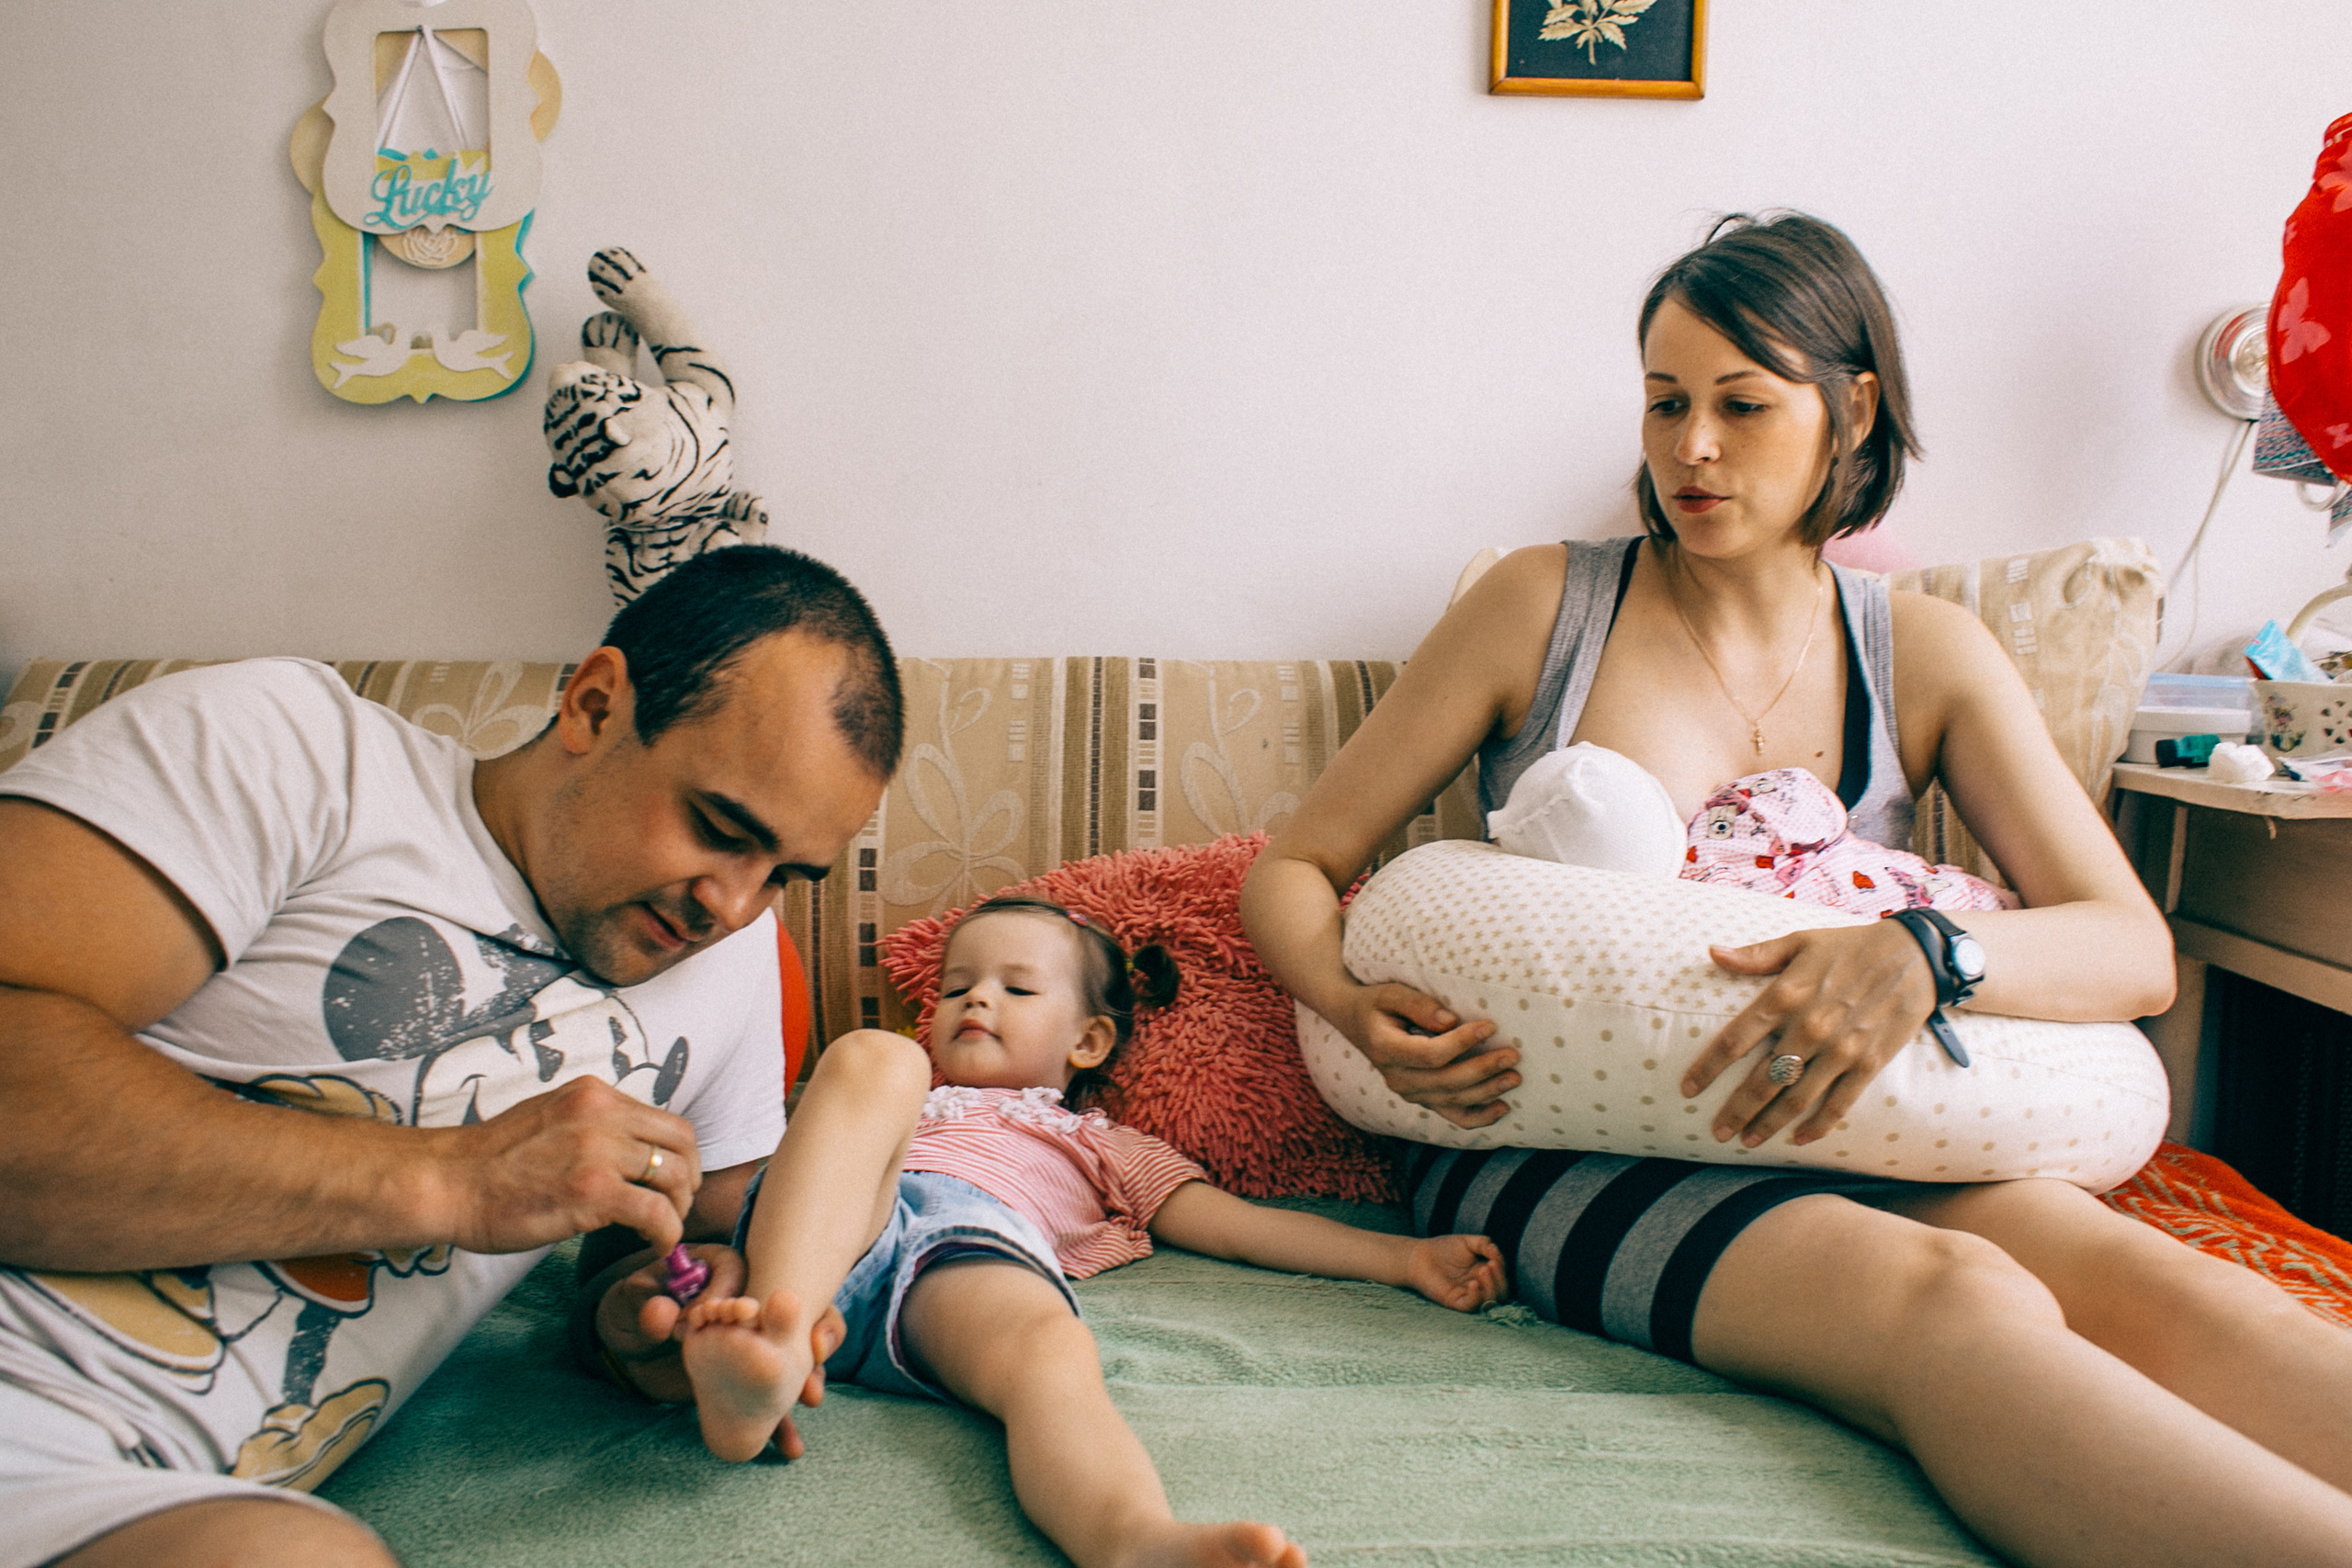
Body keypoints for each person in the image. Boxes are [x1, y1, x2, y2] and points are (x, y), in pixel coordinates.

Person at [1239, 213, 2352, 1566]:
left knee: (2164, 1282)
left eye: (1739, 404)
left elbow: (2131, 948)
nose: (1689, 448)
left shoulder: (1924, 652)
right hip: (1562, 1146)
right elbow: (1299, 864)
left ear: (1852, 409)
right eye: (1664, 403)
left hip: (1860, 1127)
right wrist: (1353, 1007)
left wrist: (1923, 952)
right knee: (1952, 1301)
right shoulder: (1544, 604)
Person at [0, 546, 903, 1568]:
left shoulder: (732, 967)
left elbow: (655, 1261)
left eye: (783, 873)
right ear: (595, 705)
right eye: (717, 827)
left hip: (137, 1500)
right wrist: (449, 1179)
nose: (731, 907)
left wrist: (647, 1329)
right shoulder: (295, 747)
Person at [614, 897, 1504, 1568]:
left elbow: (1238, 1231)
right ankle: (773, 1340)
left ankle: (1130, 1535)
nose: (976, 1002)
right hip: (821, 1232)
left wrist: (1404, 1257)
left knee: (1048, 1350)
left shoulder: (1106, 1145)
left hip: (963, 1259)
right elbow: (752, 1168)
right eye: (957, 986)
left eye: (1017, 988)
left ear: (1087, 1042)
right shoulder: (904, 1079)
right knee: (874, 1056)